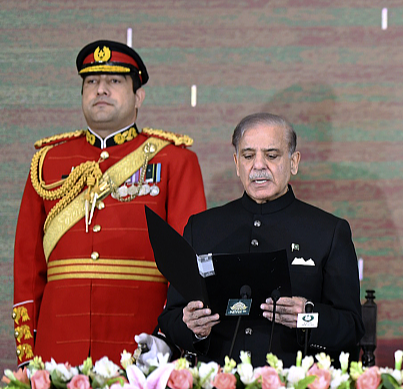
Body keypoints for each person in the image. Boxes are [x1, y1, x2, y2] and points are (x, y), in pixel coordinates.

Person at [12, 40, 206, 366]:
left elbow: (188, 263)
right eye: (91, 82)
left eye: (114, 81)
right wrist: (28, 354)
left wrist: (171, 340)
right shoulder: (47, 161)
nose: (100, 89)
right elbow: (28, 269)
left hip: (142, 345)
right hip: (57, 348)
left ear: (138, 97)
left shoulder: (174, 160)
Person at [158, 113, 364, 366]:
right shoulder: (201, 228)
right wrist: (193, 327)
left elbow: (352, 328)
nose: (258, 166)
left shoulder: (329, 231)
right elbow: (170, 319)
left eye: (272, 155)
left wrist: (307, 317)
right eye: (248, 156)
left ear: (294, 162)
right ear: (236, 163)